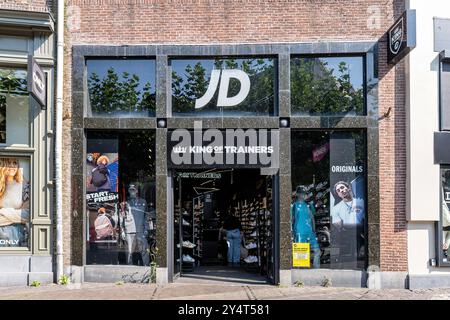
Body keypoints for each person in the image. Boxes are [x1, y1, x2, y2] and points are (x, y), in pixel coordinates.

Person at [0, 158, 29, 247]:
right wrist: (16, 214)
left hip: (18, 234)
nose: (12, 166)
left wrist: (2, 211)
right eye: (8, 163)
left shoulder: (24, 187)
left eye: (15, 163)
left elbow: (27, 215)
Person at [291, 185, 320, 268]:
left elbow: (312, 218)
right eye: (301, 193)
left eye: (305, 194)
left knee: (317, 251)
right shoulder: (294, 206)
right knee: (300, 255)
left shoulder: (308, 205)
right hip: (299, 232)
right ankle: (299, 275)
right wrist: (292, 231)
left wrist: (314, 230)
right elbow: (291, 219)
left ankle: (316, 271)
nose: (303, 195)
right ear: (297, 194)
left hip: (310, 232)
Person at [120, 184, 150, 266]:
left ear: (137, 191)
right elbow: (123, 217)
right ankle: (130, 268)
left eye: (133, 190)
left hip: (141, 230)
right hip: (129, 231)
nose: (131, 192)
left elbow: (146, 216)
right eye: (130, 190)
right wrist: (122, 230)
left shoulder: (143, 202)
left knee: (144, 250)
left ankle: (147, 267)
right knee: (130, 251)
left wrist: (146, 229)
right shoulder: (126, 203)